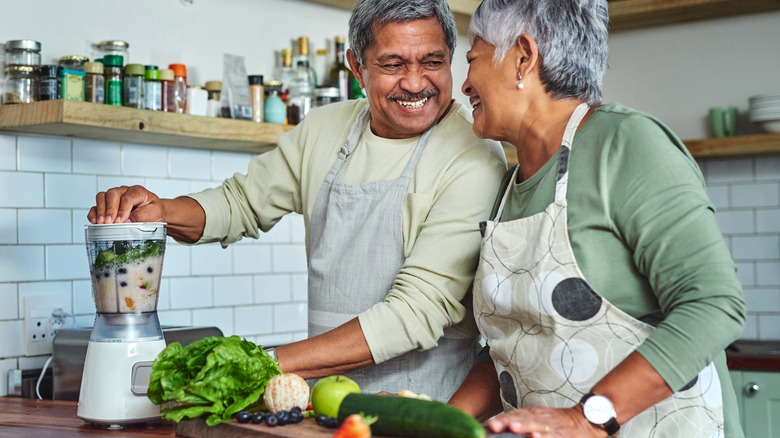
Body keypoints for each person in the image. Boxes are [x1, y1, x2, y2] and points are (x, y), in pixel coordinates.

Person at [88, 0, 507, 401]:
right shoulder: (326, 128)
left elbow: (417, 310)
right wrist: (160, 211)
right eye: (393, 64)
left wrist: (262, 365)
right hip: (323, 404)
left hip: (425, 410)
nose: (415, 83)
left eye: (432, 62)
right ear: (357, 68)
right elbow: (239, 204)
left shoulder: (474, 153)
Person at [446, 0, 746, 436]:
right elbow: (512, 352)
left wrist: (586, 419)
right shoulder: (507, 188)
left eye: (472, 60)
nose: (466, 83)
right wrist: (442, 422)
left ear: (523, 58)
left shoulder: (625, 143)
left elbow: (714, 304)